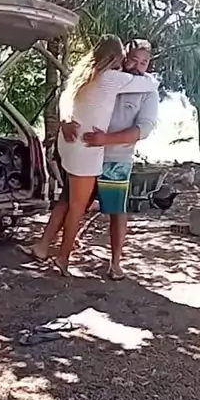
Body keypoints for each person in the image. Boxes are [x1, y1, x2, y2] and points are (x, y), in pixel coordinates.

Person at [22, 37, 159, 277]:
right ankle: (47, 249)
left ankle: (115, 263)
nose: (137, 66)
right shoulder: (112, 77)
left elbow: (144, 129)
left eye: (144, 63)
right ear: (122, 58)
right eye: (133, 60)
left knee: (116, 211)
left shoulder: (143, 90)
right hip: (87, 153)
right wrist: (65, 119)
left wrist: (106, 139)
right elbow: (68, 96)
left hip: (115, 158)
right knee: (67, 202)